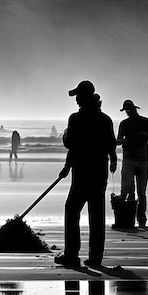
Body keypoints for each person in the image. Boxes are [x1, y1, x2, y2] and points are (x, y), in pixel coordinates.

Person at [55, 80, 117, 268]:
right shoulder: (105, 119)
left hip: (82, 172)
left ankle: (71, 255)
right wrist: (113, 160)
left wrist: (65, 135)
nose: (76, 100)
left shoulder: (76, 119)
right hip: (99, 172)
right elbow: (111, 145)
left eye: (77, 96)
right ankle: (95, 258)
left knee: (71, 209)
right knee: (96, 214)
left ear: (84, 97)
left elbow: (71, 144)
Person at [116, 99, 148, 228]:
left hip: (142, 160)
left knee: (141, 192)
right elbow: (117, 140)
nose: (128, 112)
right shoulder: (123, 124)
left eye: (130, 110)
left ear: (135, 109)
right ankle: (128, 217)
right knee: (127, 189)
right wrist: (124, 141)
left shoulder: (145, 121)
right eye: (126, 111)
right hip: (128, 160)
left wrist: (145, 135)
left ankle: (141, 217)